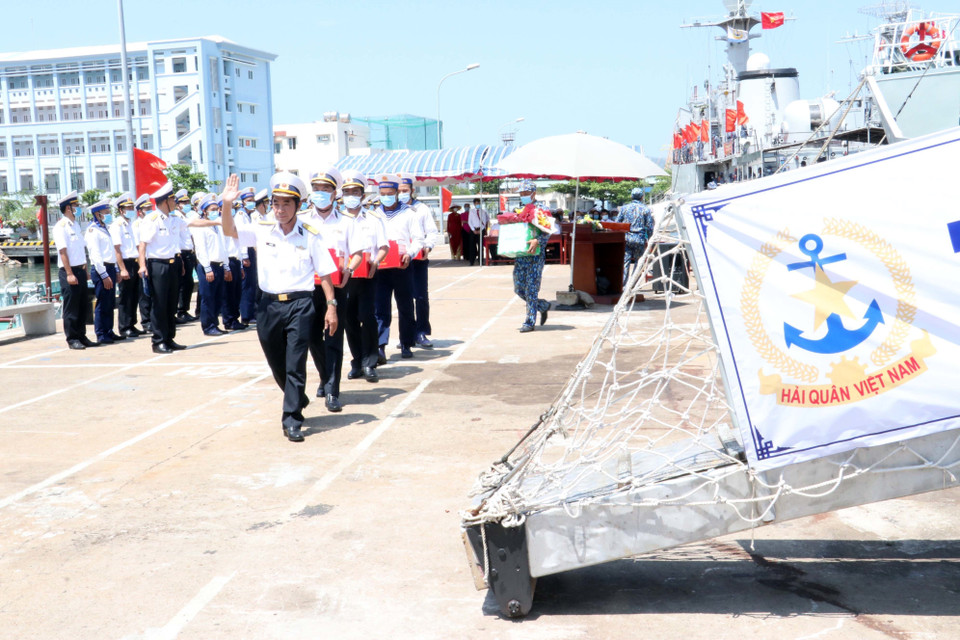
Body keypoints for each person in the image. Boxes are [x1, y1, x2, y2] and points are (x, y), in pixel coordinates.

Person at [220, 172, 339, 443]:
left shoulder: (310, 235)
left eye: (287, 204)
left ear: (298, 206)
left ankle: (291, 418)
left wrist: (331, 306)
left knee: (295, 362)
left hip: (301, 304)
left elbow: (326, 273)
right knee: (276, 362)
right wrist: (227, 203)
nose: (280, 209)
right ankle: (297, 397)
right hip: (269, 306)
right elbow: (230, 230)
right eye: (276, 203)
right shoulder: (261, 228)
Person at [301, 167, 362, 411]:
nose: (320, 193)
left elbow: (357, 252)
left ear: (335, 193)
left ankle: (332, 391)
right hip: (307, 287)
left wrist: (349, 268)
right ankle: (325, 375)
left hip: (336, 286)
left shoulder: (347, 221)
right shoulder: (302, 218)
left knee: (334, 337)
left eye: (325, 189)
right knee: (311, 337)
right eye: (316, 189)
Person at [340, 169, 388, 383]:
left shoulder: (374, 218)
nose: (351, 195)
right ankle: (357, 361)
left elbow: (384, 247)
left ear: (362, 194)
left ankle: (370, 362)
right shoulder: (337, 220)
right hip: (344, 277)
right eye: (347, 191)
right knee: (349, 320)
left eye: (355, 191)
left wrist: (376, 262)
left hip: (368, 276)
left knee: (367, 317)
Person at [373, 173, 422, 362]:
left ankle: (406, 343)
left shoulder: (409, 213)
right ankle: (380, 346)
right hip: (381, 267)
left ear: (395, 193)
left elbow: (418, 238)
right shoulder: (374, 214)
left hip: (402, 266)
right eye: (382, 193)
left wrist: (410, 253)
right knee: (380, 308)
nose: (386, 196)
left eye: (390, 193)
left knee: (405, 306)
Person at [137, 182, 191, 353]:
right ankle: (159, 340)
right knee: (159, 304)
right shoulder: (151, 220)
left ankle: (169, 338)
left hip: (173, 264)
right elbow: (142, 245)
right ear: (165, 201)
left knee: (171, 303)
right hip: (158, 265)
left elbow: (191, 226)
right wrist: (142, 266)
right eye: (173, 199)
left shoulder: (174, 219)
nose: (175, 201)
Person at [52, 191, 96, 350]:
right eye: (76, 206)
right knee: (71, 307)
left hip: (80, 270)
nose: (78, 208)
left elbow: (79, 250)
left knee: (83, 304)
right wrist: (70, 273)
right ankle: (72, 338)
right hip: (68, 272)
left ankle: (82, 335)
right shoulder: (60, 226)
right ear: (68, 208)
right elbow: (63, 252)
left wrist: (85, 269)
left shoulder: (76, 225)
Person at [399, 173, 438, 349]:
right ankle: (407, 335)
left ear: (412, 190)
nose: (401, 194)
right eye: (398, 191)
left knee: (421, 296)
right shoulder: (394, 210)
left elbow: (431, 231)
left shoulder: (422, 208)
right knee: (403, 298)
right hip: (399, 260)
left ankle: (421, 332)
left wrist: (428, 247)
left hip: (418, 259)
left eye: (405, 190)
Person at [511, 181, 551, 333]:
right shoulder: (519, 210)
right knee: (519, 288)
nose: (522, 196)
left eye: (525, 193)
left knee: (531, 289)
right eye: (520, 194)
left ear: (533, 193)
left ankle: (529, 322)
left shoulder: (543, 209)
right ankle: (542, 306)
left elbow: (549, 230)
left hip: (536, 255)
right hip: (521, 255)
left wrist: (538, 240)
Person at [85, 198, 123, 344]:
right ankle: (101, 333)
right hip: (101, 270)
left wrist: (116, 270)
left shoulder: (104, 228)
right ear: (98, 213)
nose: (108, 214)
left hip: (110, 267)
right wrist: (104, 274)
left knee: (110, 302)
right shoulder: (92, 230)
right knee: (102, 302)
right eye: (106, 212)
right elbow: (96, 255)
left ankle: (109, 330)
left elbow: (111, 252)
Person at [191, 196, 230, 336]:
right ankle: (208, 326)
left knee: (217, 297)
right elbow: (201, 250)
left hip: (219, 265)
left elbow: (223, 247)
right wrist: (207, 269)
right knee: (208, 298)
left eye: (217, 209)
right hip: (208, 267)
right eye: (212, 210)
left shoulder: (217, 226)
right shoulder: (201, 227)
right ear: (205, 212)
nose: (216, 211)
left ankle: (215, 324)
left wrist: (226, 267)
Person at [109, 193, 145, 338]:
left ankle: (131, 324)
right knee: (125, 297)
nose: (130, 209)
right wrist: (122, 269)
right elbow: (117, 249)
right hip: (125, 263)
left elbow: (137, 245)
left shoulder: (130, 224)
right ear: (120, 210)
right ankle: (124, 327)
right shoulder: (116, 225)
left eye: (132, 207)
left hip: (134, 262)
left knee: (135, 295)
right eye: (127, 207)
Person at [615, 187, 655, 287]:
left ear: (631, 196)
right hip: (639, 238)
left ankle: (623, 285)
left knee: (625, 262)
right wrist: (648, 238)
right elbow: (650, 226)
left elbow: (617, 223)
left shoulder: (624, 208)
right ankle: (633, 286)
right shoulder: (646, 209)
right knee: (639, 262)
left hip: (627, 237)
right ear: (642, 197)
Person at [220, 199, 247, 331]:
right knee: (228, 293)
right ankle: (229, 320)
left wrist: (241, 265)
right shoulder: (222, 226)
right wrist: (226, 267)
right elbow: (223, 247)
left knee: (236, 293)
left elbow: (239, 245)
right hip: (228, 260)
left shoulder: (235, 224)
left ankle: (235, 318)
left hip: (236, 260)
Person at [173, 189, 198, 324]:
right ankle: (180, 310)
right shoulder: (177, 217)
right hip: (182, 253)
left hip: (190, 253)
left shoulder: (186, 216)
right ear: (177, 204)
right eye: (183, 202)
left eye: (187, 201)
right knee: (182, 284)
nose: (186, 204)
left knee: (188, 283)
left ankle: (185, 310)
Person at [237, 187, 259, 325]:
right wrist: (244, 256)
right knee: (247, 285)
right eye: (249, 201)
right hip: (246, 252)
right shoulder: (240, 215)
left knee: (252, 284)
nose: (252, 203)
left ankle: (251, 313)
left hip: (251, 250)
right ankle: (246, 315)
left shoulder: (249, 215)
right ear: (243, 202)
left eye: (253, 200)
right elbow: (241, 236)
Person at [133, 194, 154, 333]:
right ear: (140, 211)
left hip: (152, 259)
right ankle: (146, 321)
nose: (150, 210)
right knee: (144, 293)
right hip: (143, 260)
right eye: (147, 208)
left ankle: (153, 319)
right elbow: (138, 245)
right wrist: (142, 264)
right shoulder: (137, 224)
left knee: (153, 292)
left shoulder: (151, 221)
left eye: (150, 207)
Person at [467, 197, 488, 266]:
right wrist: (473, 230)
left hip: (481, 230)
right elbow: (469, 221)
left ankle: (480, 261)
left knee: (480, 246)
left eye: (478, 203)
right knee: (472, 246)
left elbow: (484, 222)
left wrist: (480, 230)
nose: (477, 204)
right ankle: (471, 261)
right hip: (473, 230)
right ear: (474, 204)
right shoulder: (471, 211)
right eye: (476, 203)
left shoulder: (483, 211)